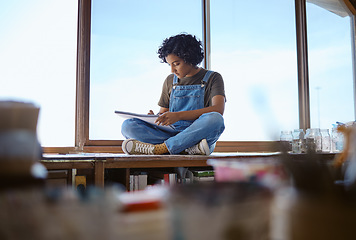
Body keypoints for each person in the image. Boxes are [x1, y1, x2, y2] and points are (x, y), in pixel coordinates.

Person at [121, 33, 226, 155]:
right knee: (128, 125)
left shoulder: (213, 78)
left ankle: (161, 149)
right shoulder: (170, 80)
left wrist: (179, 115)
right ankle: (185, 149)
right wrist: (154, 118)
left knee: (215, 119)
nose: (172, 70)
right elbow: (164, 112)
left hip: (198, 135)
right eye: (169, 64)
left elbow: (218, 110)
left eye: (176, 64)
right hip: (173, 135)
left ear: (190, 58)